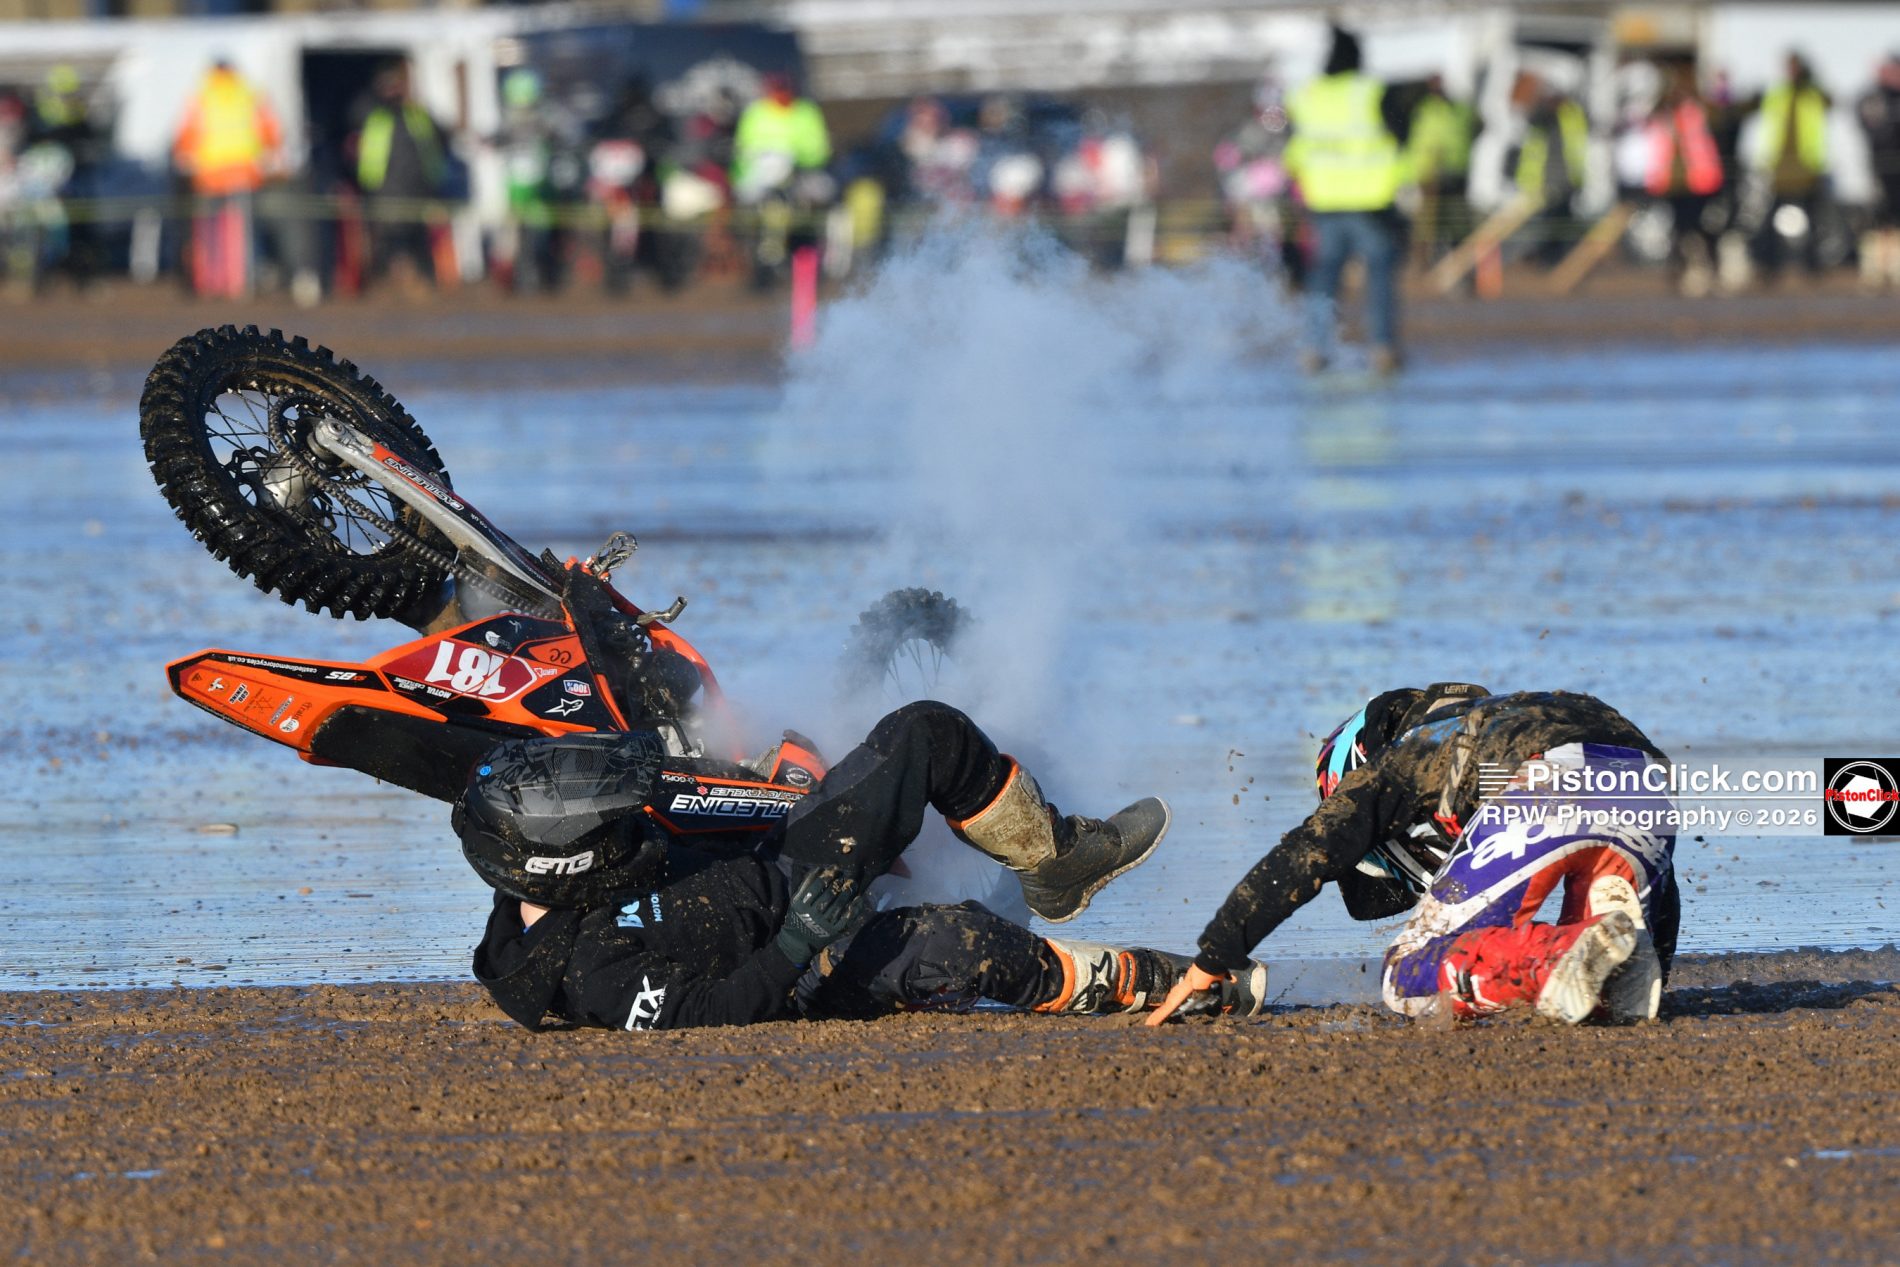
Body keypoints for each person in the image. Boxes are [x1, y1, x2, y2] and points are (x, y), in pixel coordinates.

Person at [463, 700, 1268, 1031]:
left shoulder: (601, 854)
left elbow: (704, 810)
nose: (609, 805)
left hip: (788, 864)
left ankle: (1054, 860)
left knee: (925, 731)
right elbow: (709, 1015)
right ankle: (1174, 984)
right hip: (808, 965)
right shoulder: (589, 971)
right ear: (555, 861)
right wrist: (797, 941)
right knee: (966, 942)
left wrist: (770, 784)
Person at [1149, 684, 1678, 1027]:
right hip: (1650, 790)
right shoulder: (1509, 714)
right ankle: (1612, 951)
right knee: (1598, 982)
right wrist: (1659, 958)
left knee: (1406, 977)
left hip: (1543, 785)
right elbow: (1669, 892)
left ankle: (1560, 953)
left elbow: (1306, 855)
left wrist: (1211, 959)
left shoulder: (1413, 751)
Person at [1286, 27, 1408, 375]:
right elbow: (1400, 136)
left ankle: (1313, 349)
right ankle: (1383, 348)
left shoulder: (1306, 94)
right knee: (1381, 275)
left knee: (1323, 279)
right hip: (1370, 200)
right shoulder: (1370, 91)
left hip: (1324, 200)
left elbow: (1294, 146)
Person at [172, 59, 282, 299]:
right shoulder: (251, 93)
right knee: (244, 233)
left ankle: (210, 282)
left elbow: (186, 131)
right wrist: (270, 153)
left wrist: (183, 154)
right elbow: (270, 129)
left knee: (207, 233)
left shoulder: (202, 95)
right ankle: (244, 284)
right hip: (244, 171)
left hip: (208, 173)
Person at [354, 63, 449, 290]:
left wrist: (433, 185)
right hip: (384, 191)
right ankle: (384, 285)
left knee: (419, 240)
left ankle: (426, 284)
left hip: (418, 189)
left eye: (395, 86)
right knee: (387, 242)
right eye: (387, 86)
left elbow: (439, 142)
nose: (392, 92)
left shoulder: (418, 116)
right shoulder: (372, 116)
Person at [1645, 68, 1725, 294]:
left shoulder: (1696, 112)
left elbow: (1717, 117)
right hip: (1673, 183)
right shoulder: (1662, 117)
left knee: (1699, 227)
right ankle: (1681, 272)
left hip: (1698, 182)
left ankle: (1708, 268)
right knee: (1679, 230)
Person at [1752, 52, 1831, 278]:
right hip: (1780, 167)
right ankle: (1770, 265)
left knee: (1814, 221)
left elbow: (1829, 102)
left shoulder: (1812, 93)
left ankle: (1812, 266)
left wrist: (1812, 80)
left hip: (1808, 166)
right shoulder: (1778, 94)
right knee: (1770, 221)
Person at [1512, 79, 1589, 269]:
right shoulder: (1540, 116)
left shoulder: (1572, 114)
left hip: (1567, 179)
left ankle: (1556, 260)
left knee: (1562, 221)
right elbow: (1532, 124)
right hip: (1541, 180)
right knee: (1541, 222)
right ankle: (1539, 257)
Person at [1405, 73, 1476, 267]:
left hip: (1455, 172)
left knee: (1457, 222)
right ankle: (1423, 263)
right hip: (1428, 174)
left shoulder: (1462, 109)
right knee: (1427, 224)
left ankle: (1458, 264)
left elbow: (1474, 129)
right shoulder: (1423, 108)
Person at [1857, 54, 1900, 290]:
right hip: (1880, 170)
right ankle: (1875, 271)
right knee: (1878, 221)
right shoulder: (1872, 99)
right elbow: (1871, 128)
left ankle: (1895, 271)